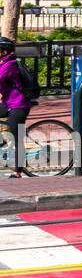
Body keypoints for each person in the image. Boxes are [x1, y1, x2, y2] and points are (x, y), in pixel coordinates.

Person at [0, 37, 34, 178]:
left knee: (16, 138)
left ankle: (18, 171)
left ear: (4, 51)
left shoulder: (10, 65)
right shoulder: (4, 63)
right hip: (8, 103)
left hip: (18, 106)